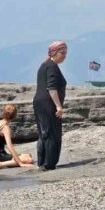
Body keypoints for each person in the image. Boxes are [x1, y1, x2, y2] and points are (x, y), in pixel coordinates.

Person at [33, 41, 68, 171]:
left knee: (44, 133)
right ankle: (49, 163)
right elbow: (51, 88)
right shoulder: (52, 66)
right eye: (62, 53)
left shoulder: (44, 65)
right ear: (54, 53)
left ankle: (42, 161)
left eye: (65, 53)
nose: (64, 55)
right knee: (52, 132)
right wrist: (58, 106)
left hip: (39, 102)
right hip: (48, 103)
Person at [0, 104, 35, 171]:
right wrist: (20, 163)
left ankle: (2, 162)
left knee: (28, 155)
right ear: (14, 116)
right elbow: (9, 146)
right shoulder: (5, 127)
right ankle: (0, 164)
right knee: (29, 160)